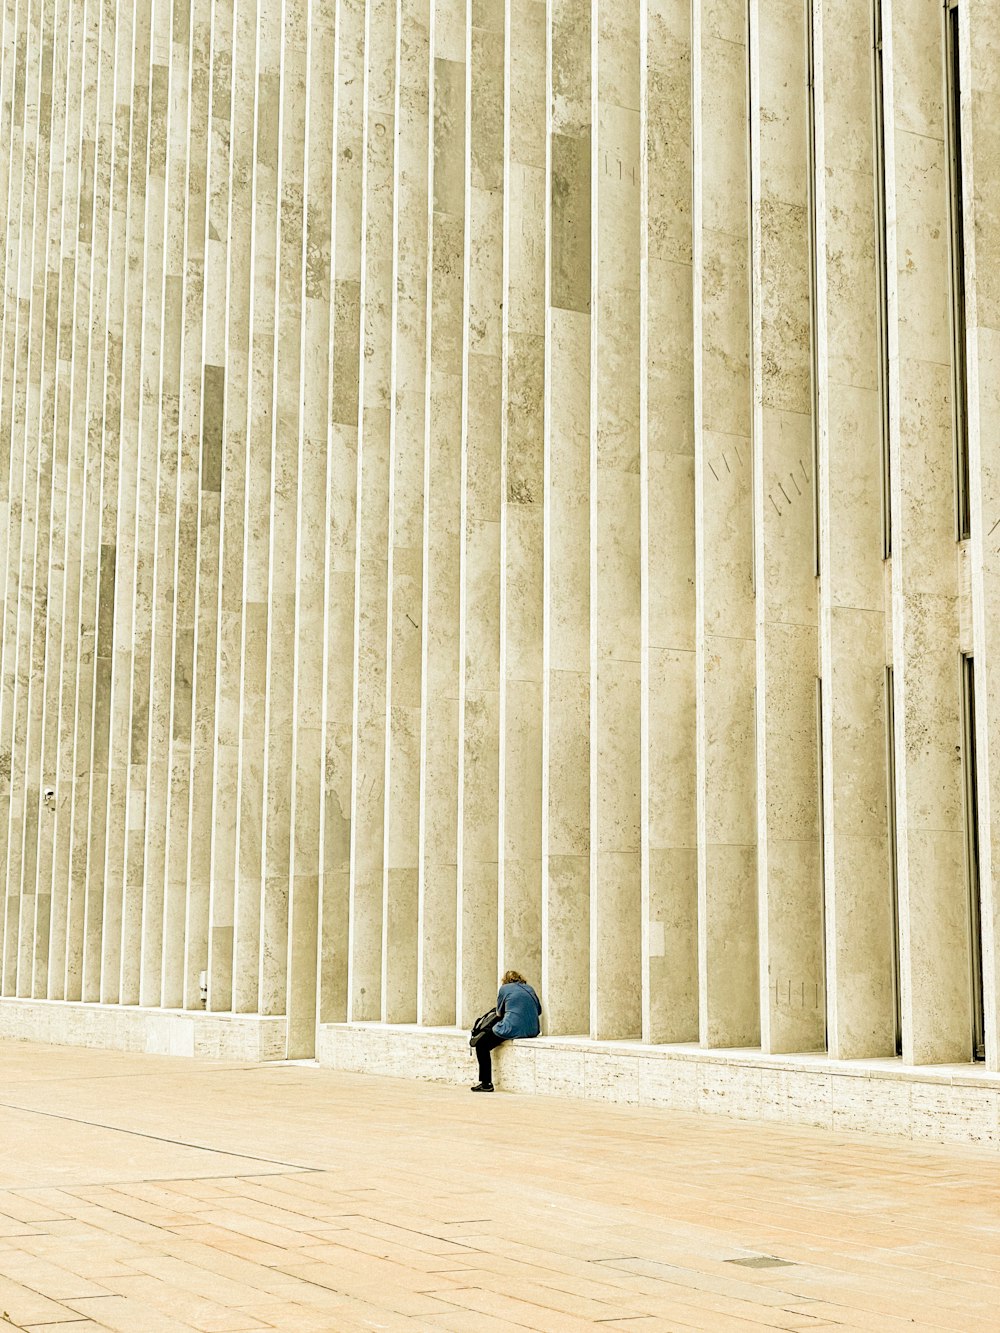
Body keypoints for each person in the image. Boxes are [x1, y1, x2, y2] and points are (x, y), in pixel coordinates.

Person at [471, 970, 541, 1092]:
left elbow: (499, 1013)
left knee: (481, 1045)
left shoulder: (504, 989)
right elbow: (539, 1010)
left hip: (513, 1027)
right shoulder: (529, 988)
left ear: (505, 980)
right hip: (533, 1029)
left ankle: (486, 1083)